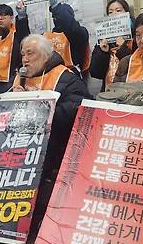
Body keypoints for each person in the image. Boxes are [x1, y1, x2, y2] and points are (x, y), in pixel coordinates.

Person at [11, 34, 92, 233]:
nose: (25, 59)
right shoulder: (20, 79)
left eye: (31, 54)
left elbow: (78, 108)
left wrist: (37, 107)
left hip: (54, 144)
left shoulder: (66, 77)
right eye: (23, 55)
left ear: (46, 56)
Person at [89, 0, 136, 89]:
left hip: (132, 90)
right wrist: (103, 52)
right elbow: (95, 73)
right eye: (110, 12)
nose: (114, 14)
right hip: (109, 92)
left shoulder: (136, 36)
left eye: (118, 10)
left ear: (127, 13)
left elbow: (137, 66)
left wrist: (122, 49)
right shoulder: (103, 40)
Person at [44, 0, 90, 76]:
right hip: (52, 77)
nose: (57, 19)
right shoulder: (49, 35)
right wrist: (22, 18)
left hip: (73, 75)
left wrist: (56, 7)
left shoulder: (80, 33)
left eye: (60, 16)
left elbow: (70, 27)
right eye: (55, 17)